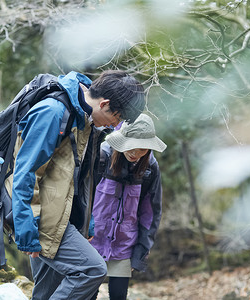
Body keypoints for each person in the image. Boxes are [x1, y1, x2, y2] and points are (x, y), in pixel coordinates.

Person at [8, 70, 146, 299]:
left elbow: (79, 176)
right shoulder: (53, 112)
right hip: (39, 216)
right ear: (105, 104)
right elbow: (26, 173)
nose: (116, 125)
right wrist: (26, 229)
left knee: (46, 292)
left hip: (60, 214)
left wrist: (87, 220)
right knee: (92, 270)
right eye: (118, 118)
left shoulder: (83, 117)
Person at [90, 113, 166, 300]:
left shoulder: (150, 168)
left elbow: (150, 212)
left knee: (118, 295)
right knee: (87, 293)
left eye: (142, 150)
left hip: (124, 244)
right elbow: (82, 198)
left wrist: (141, 249)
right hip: (91, 240)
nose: (135, 154)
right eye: (132, 147)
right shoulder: (101, 156)